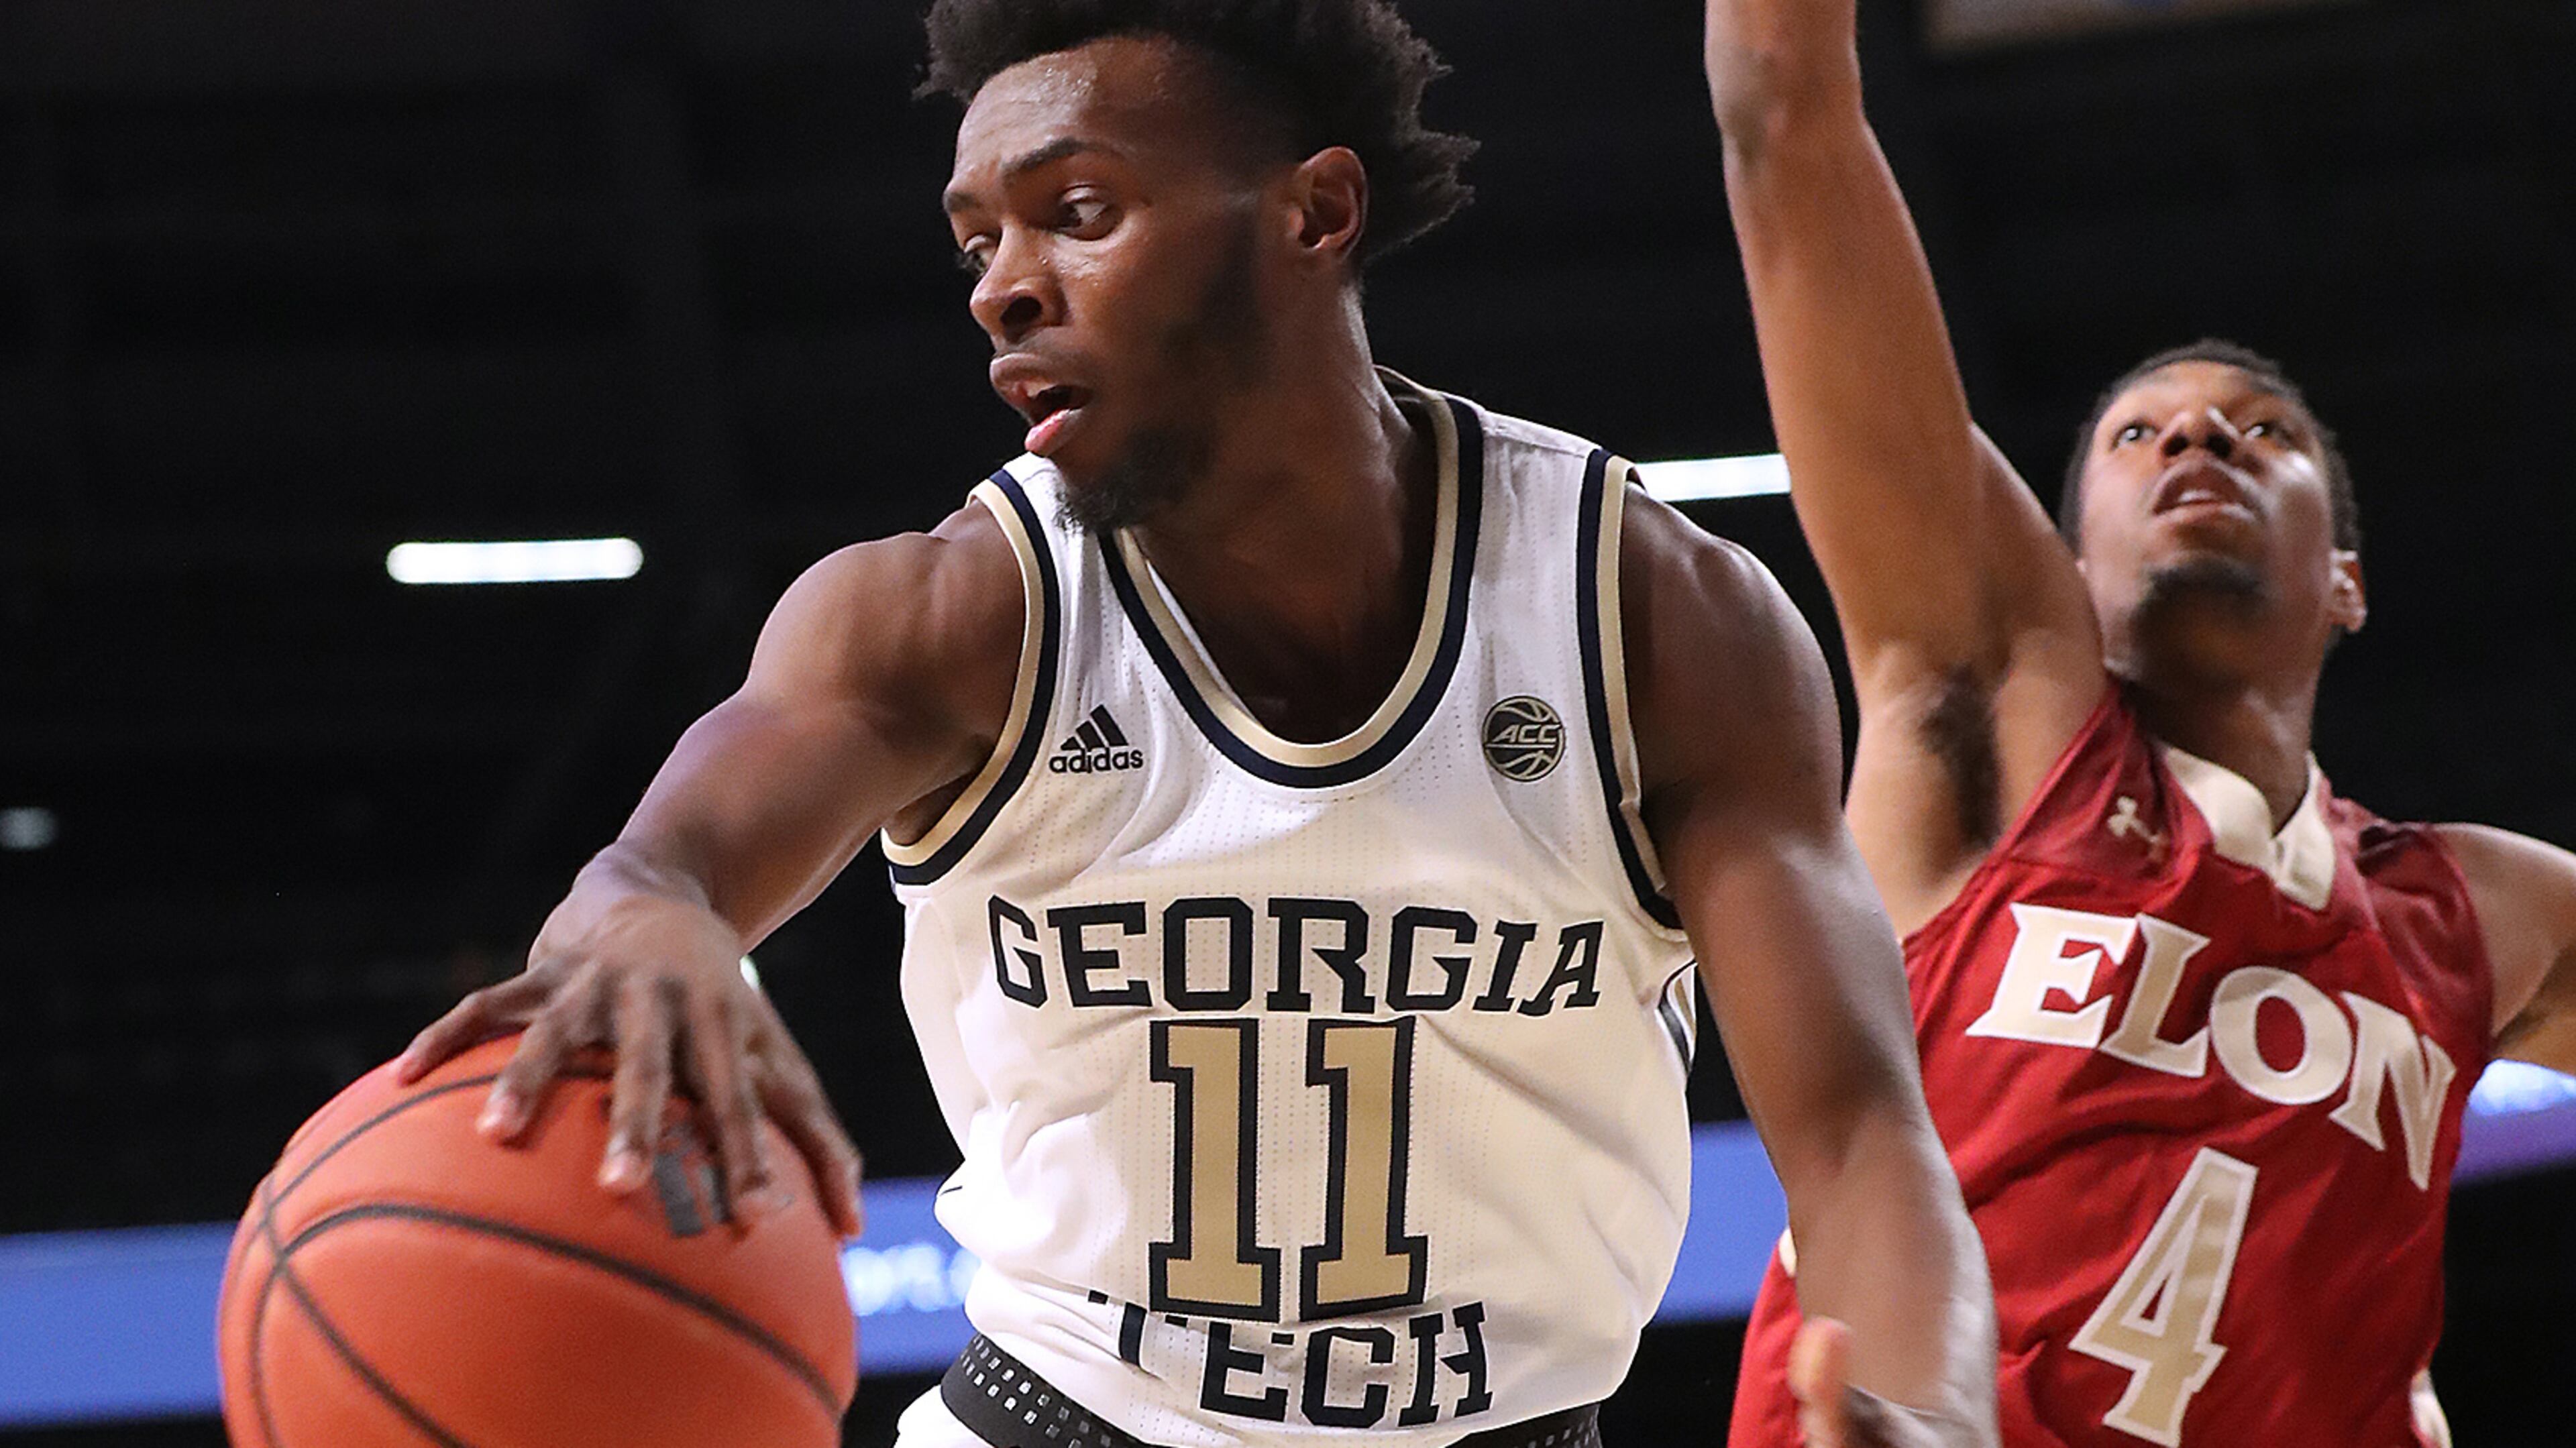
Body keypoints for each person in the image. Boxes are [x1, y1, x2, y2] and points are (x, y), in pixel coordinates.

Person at [394, 3, 1996, 1445]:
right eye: (978, 246)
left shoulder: (1647, 611)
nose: (1006, 288)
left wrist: (1922, 1407)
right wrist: (653, 926)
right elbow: (652, 875)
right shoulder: (952, 612)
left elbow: (1860, 1133)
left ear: (1317, 212)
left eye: (1076, 215)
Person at [1700, 0, 2576, 1443]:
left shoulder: (2478, 910)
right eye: (2136, 432)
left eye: (2265, 430)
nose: (2199, 435)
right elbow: (1780, 114)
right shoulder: (1991, 713)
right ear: (2070, 554)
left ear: (2346, 579)